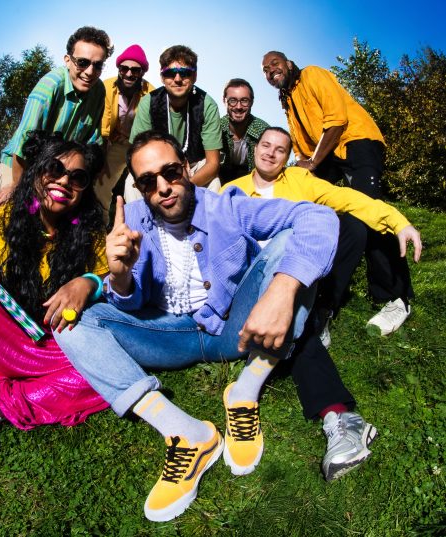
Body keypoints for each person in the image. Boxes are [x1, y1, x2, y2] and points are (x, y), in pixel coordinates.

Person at [54, 130, 376, 522]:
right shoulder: (133, 220)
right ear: (138, 187)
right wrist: (119, 276)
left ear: (187, 169)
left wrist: (281, 290)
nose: (163, 187)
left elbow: (317, 217)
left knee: (293, 250)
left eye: (170, 172)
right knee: (72, 322)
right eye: (148, 181)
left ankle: (244, 391)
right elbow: (131, 302)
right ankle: (187, 434)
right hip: (168, 335)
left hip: (232, 330)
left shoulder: (226, 206)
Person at [0, 131, 110, 459]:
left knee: (105, 367)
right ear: (37, 171)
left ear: (84, 189)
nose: (64, 181)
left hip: (51, 343)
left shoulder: (89, 233)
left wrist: (88, 283)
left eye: (78, 177)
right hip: (4, 330)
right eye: (54, 168)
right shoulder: (10, 216)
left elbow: (110, 281)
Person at [221, 127, 422, 345]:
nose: (270, 153)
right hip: (249, 273)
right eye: (266, 146)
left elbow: (345, 197)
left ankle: (321, 312)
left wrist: (398, 223)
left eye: (280, 150)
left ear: (286, 158)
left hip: (295, 271)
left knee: (352, 227)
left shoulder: (299, 179)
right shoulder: (231, 190)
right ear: (255, 149)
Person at [262, 51, 415, 335]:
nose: (271, 70)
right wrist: (304, 172)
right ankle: (317, 291)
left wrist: (313, 162)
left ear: (289, 64)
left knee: (367, 211)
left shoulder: (312, 74)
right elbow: (301, 144)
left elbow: (336, 120)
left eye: (275, 64)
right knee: (314, 211)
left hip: (356, 141)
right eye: (265, 70)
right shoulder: (287, 99)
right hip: (328, 154)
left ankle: (397, 297)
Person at [0, 26, 113, 206]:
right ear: (68, 60)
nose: (90, 72)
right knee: (16, 213)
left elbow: (91, 143)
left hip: (58, 171)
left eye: (97, 65)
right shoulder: (49, 87)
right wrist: (18, 187)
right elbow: (23, 146)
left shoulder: (98, 91)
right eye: (82, 62)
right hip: (20, 166)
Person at [123, 45, 222, 202]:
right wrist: (158, 181)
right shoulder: (149, 102)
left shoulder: (207, 105)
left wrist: (185, 184)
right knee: (131, 182)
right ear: (162, 77)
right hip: (157, 168)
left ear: (194, 76)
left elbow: (213, 163)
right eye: (170, 73)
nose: (177, 79)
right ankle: (143, 218)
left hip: (193, 167)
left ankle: (203, 218)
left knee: (214, 181)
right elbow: (136, 156)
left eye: (185, 73)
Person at [95, 44, 154, 223]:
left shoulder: (151, 92)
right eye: (124, 68)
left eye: (135, 70)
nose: (129, 74)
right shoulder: (106, 87)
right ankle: (100, 225)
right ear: (119, 69)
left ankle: (142, 224)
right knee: (101, 182)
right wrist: (101, 160)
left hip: (141, 145)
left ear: (142, 72)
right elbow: (104, 127)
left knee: (139, 184)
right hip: (115, 143)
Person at [219, 78, 269, 184]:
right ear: (224, 101)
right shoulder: (216, 128)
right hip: (222, 180)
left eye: (244, 101)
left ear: (252, 102)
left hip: (254, 181)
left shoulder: (264, 131)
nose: (238, 107)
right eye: (232, 101)